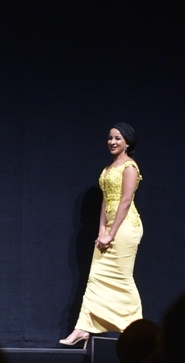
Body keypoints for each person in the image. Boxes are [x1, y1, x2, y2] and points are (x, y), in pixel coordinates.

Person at [60, 123, 144, 346]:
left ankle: (136, 329)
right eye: (110, 138)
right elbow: (105, 200)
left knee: (122, 279)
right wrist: (101, 231)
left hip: (126, 227)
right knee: (96, 276)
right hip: (108, 227)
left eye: (118, 138)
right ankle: (83, 328)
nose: (113, 142)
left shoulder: (130, 167)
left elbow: (125, 202)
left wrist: (112, 233)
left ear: (128, 142)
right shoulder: (108, 169)